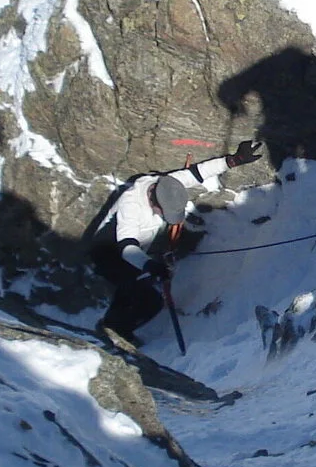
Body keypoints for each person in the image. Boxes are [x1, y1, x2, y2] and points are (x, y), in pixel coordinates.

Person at [89, 140, 263, 343]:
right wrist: (150, 265)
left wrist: (234, 160)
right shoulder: (131, 204)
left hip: (138, 249)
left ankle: (116, 326)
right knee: (146, 298)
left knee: (139, 291)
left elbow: (198, 173)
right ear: (154, 202)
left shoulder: (167, 183)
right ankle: (111, 329)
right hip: (109, 252)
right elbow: (127, 248)